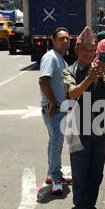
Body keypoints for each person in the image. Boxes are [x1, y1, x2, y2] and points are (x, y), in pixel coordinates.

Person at [62, 26, 105, 209]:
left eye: (92, 49)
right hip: (78, 130)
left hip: (100, 129)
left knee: (96, 174)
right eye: (85, 49)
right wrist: (89, 79)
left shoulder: (99, 69)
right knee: (79, 174)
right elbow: (72, 94)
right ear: (77, 50)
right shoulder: (69, 71)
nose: (89, 52)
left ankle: (89, 207)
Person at [39, 27, 72, 194]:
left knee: (54, 142)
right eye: (61, 38)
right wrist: (52, 101)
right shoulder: (51, 57)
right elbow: (43, 80)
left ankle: (52, 175)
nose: (65, 41)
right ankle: (56, 181)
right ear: (53, 40)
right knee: (56, 144)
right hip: (54, 110)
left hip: (60, 109)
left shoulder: (61, 59)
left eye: (67, 38)